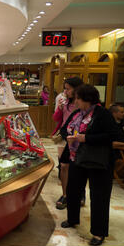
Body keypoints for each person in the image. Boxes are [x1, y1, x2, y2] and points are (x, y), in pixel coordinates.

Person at [60, 84, 118, 246]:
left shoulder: (102, 114)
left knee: (99, 196)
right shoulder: (78, 113)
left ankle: (99, 233)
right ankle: (72, 219)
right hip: (77, 158)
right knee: (73, 190)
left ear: (88, 99)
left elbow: (111, 136)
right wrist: (69, 136)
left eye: (78, 98)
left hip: (98, 161)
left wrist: (86, 138)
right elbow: (64, 129)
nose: (75, 101)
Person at [52, 77, 84, 210]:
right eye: (64, 88)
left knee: (77, 168)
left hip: (79, 139)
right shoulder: (64, 101)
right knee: (64, 166)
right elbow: (56, 118)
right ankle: (65, 195)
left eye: (67, 88)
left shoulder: (82, 103)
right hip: (65, 136)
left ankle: (80, 194)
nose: (65, 91)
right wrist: (59, 108)